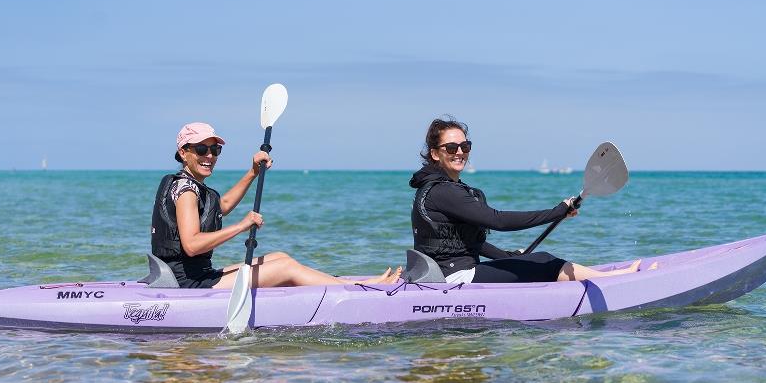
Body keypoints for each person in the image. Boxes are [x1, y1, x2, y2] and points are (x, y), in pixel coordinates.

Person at [152, 122, 401, 289]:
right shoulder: (186, 191)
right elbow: (192, 245)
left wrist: (252, 173)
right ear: (183, 153)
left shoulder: (191, 186)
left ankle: (348, 285)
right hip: (188, 283)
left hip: (199, 275)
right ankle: (361, 289)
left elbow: (222, 205)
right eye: (201, 149)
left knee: (280, 257)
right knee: (285, 267)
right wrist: (242, 226)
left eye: (214, 149)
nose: (209, 156)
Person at [410, 117, 649, 284]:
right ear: (435, 153)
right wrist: (557, 212)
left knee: (531, 258)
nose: (460, 152)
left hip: (447, 274)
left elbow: (470, 244)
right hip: (455, 278)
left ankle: (605, 278)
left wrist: (510, 256)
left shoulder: (439, 188)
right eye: (451, 147)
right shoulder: (444, 192)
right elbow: (498, 221)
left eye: (465, 145)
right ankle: (615, 281)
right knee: (545, 261)